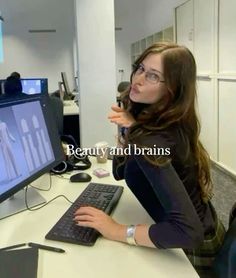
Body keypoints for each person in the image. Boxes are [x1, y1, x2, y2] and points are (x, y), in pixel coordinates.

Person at [74, 42, 225, 277]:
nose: (137, 79)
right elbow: (122, 172)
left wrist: (116, 230)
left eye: (153, 76)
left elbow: (188, 232)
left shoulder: (152, 141)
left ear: (172, 89)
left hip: (194, 252)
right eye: (140, 68)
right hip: (206, 226)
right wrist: (129, 129)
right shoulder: (164, 121)